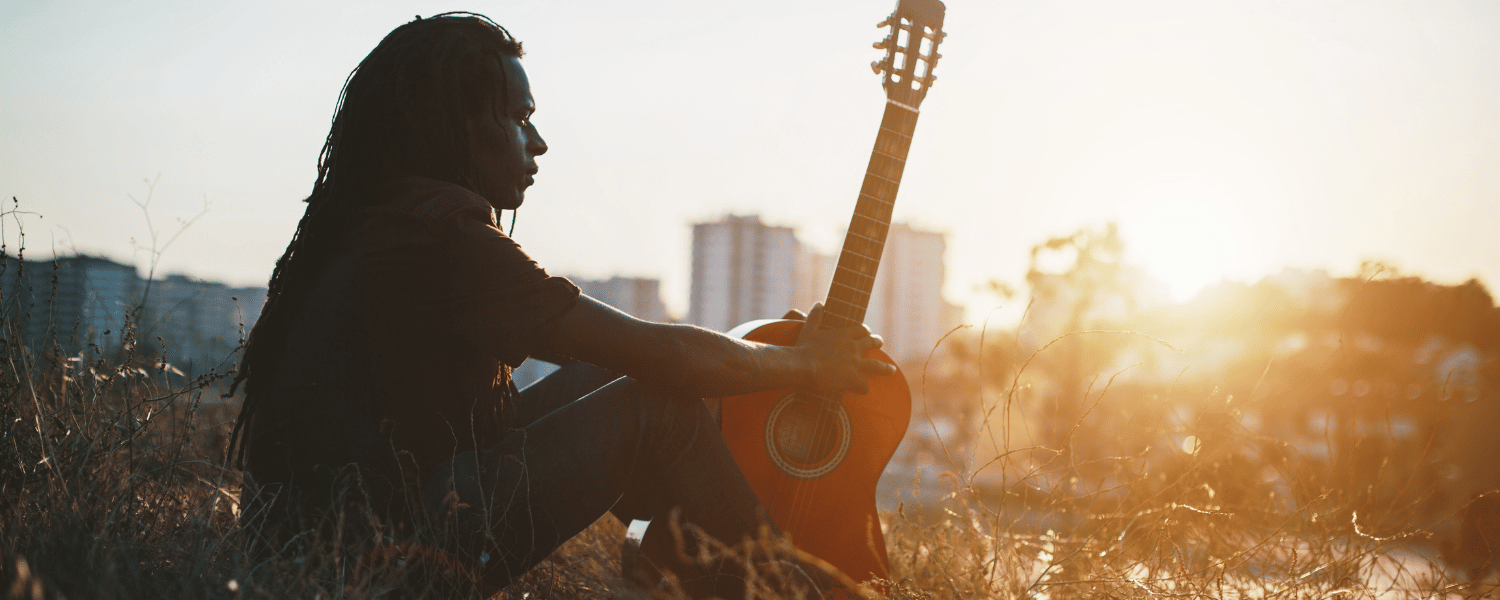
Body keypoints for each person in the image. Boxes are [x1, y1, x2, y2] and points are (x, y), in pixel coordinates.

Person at [227, 12, 893, 598]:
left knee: (614, 378)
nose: (538, 142)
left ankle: (695, 561)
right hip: (371, 561)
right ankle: (802, 594)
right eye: (517, 119)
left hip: (350, 533)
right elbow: (667, 357)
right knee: (656, 403)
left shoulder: (391, 215)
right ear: (454, 125)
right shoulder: (441, 234)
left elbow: (641, 355)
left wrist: (777, 354)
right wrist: (806, 366)